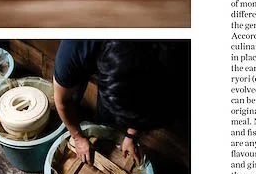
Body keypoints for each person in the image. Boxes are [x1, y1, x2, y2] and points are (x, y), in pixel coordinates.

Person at [52, 40, 189, 164]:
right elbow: (62, 101)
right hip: (87, 52)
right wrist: (78, 137)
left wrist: (131, 135)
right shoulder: (77, 45)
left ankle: (103, 124)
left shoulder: (180, 57)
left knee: (108, 117)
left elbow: (147, 105)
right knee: (72, 97)